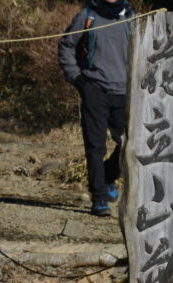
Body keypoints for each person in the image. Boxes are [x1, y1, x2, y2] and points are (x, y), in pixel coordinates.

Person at [58, 0, 135, 217]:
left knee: (130, 142)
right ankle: (99, 197)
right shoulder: (88, 16)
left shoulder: (130, 16)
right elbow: (66, 45)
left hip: (125, 92)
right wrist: (79, 80)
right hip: (95, 90)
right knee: (95, 147)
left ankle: (108, 177)